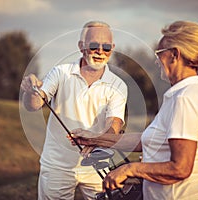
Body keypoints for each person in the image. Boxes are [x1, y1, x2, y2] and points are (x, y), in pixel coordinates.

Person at [71, 21, 198, 200]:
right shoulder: (180, 94)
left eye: (159, 53)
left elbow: (180, 168)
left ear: (174, 55)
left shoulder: (185, 99)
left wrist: (129, 169)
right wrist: (96, 139)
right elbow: (147, 140)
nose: (156, 60)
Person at [20, 21, 127, 200]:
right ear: (81, 46)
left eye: (106, 47)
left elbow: (114, 123)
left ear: (112, 48)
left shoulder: (118, 84)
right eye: (94, 45)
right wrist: (31, 91)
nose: (100, 51)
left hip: (98, 165)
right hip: (57, 166)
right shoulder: (60, 73)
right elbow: (35, 104)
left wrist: (99, 140)